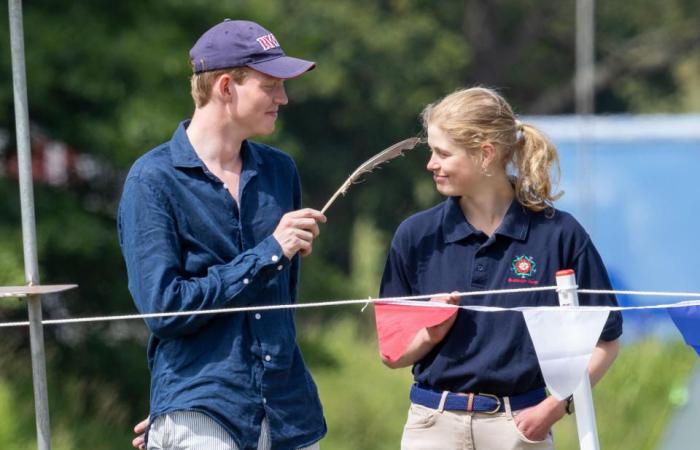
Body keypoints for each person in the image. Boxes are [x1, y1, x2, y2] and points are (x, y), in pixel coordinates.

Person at [118, 19, 327, 450]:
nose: (283, 98)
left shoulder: (279, 170)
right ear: (227, 86)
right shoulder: (152, 180)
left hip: (290, 412)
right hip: (204, 413)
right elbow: (164, 310)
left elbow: (281, 302)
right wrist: (268, 252)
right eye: (270, 85)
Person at [379, 87, 622, 450]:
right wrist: (430, 334)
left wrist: (554, 408)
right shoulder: (415, 235)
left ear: (486, 155)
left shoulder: (560, 234)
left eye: (443, 153)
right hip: (431, 425)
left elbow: (607, 341)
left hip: (521, 426)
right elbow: (391, 353)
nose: (431, 163)